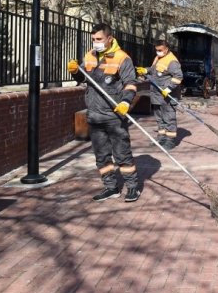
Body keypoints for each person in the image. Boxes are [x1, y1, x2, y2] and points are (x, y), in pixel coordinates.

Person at [67, 23, 140, 203]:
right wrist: (76, 72)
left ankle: (132, 187)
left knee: (122, 153)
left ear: (109, 38)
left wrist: (125, 102)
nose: (95, 43)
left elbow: (130, 83)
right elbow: (85, 78)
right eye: (93, 39)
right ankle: (110, 187)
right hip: (94, 114)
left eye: (99, 39)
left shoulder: (122, 58)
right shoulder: (90, 55)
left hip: (113, 115)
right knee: (101, 155)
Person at [136, 40, 183, 150]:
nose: (158, 52)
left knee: (169, 118)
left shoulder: (172, 61)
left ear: (166, 49)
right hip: (157, 94)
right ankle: (161, 138)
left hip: (167, 96)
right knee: (159, 118)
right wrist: (145, 70)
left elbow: (178, 77)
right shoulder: (158, 58)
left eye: (160, 50)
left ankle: (170, 141)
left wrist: (168, 89)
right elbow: (153, 71)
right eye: (157, 50)